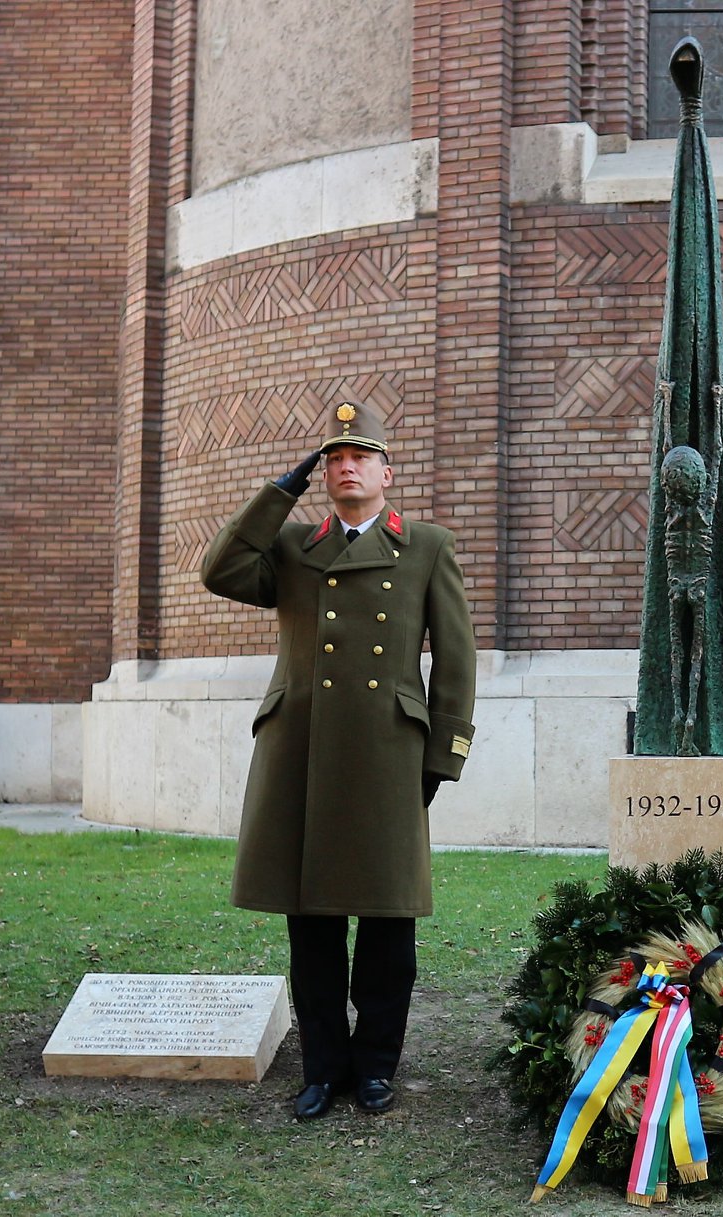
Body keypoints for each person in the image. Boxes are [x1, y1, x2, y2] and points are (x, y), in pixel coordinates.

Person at [201, 400, 477, 1120]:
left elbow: (457, 658)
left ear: (388, 471)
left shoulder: (425, 545)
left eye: (359, 456)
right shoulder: (293, 546)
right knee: (313, 927)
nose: (344, 466)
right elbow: (221, 568)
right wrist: (279, 490)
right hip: (302, 756)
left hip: (389, 755)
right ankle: (323, 1069)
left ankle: (377, 1066)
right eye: (332, 458)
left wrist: (444, 755)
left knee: (389, 926)